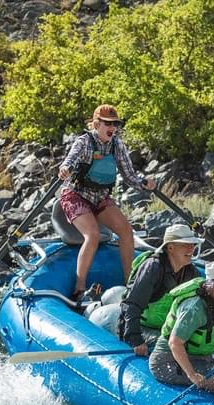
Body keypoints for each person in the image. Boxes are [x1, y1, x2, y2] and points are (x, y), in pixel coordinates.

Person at [58, 104, 157, 300]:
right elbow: (69, 160)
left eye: (115, 124)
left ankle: (130, 283)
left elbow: (129, 176)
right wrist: (65, 169)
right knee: (93, 234)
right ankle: (79, 288)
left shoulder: (117, 145)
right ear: (96, 124)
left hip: (100, 197)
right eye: (108, 123)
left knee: (126, 231)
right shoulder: (84, 142)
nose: (112, 127)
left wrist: (143, 184)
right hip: (75, 195)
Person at [149, 261, 214, 395]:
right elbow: (175, 343)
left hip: (200, 358)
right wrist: (191, 374)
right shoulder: (194, 307)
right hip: (168, 361)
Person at [119, 224, 201, 357]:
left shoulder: (191, 272)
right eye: (186, 245)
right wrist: (136, 340)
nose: (191, 249)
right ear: (170, 247)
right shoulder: (153, 268)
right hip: (141, 327)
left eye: (192, 245)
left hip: (165, 328)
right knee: (175, 349)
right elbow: (132, 305)